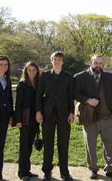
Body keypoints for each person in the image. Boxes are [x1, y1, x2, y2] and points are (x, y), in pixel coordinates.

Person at [74, 54, 112, 180]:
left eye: (101, 63)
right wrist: (87, 100)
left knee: (111, 145)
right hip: (90, 118)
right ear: (91, 62)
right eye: (96, 63)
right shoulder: (80, 77)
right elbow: (75, 93)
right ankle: (93, 169)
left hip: (108, 117)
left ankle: (111, 169)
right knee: (90, 145)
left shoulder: (110, 77)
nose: (98, 66)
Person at [35, 51, 74, 181]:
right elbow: (38, 95)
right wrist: (38, 111)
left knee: (63, 144)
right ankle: (47, 171)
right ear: (51, 61)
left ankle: (64, 172)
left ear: (63, 61)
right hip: (47, 115)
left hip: (64, 115)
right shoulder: (45, 76)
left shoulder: (69, 77)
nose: (57, 61)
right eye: (54, 59)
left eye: (59, 59)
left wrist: (71, 112)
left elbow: (71, 96)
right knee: (48, 144)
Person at [15, 61, 40, 180]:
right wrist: (18, 120)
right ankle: (22, 173)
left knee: (29, 145)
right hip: (24, 118)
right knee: (24, 146)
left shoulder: (38, 83)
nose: (32, 72)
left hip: (34, 118)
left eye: (34, 70)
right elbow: (18, 103)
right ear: (25, 71)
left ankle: (27, 170)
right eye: (29, 70)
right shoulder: (22, 84)